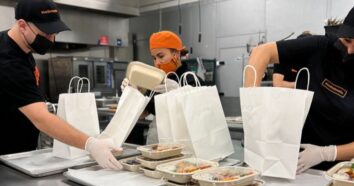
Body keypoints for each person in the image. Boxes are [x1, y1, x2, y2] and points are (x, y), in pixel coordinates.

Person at [0, 0, 122, 170]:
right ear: (22, 25)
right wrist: (90, 144)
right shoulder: (8, 61)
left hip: (18, 153)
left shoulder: (21, 47)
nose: (51, 40)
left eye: (54, 33)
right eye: (46, 34)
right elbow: (40, 118)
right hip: (5, 158)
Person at [244, 6, 354, 173]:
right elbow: (262, 52)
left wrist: (327, 153)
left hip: (341, 170)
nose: (350, 50)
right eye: (347, 40)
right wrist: (251, 103)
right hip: (293, 162)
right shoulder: (321, 47)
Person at [121, 31, 203, 144]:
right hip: (158, 143)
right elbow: (141, 115)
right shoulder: (156, 83)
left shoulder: (192, 80)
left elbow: (199, 115)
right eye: (154, 58)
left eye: (161, 56)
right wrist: (134, 92)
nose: (157, 63)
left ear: (176, 54)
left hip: (184, 145)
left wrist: (178, 90)